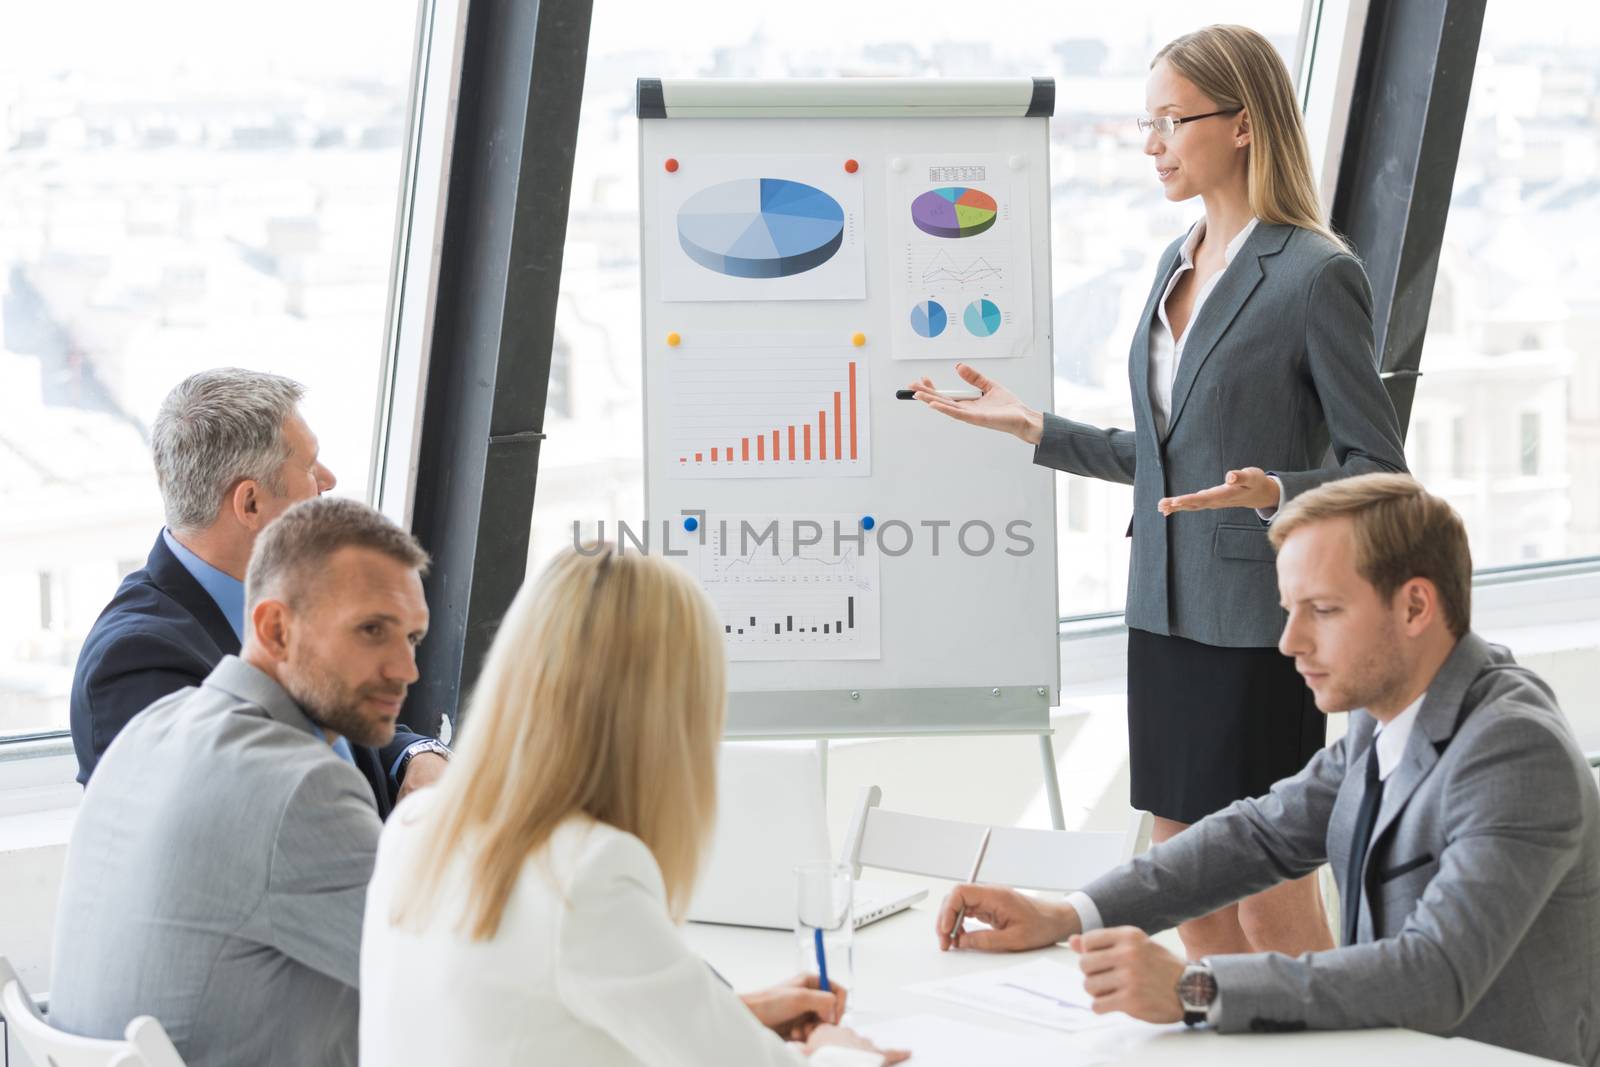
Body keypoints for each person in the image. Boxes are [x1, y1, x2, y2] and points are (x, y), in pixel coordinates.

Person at [908, 24, 1408, 959]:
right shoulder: (1173, 261)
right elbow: (1171, 453)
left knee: (1265, 882)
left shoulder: (1313, 275)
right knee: (1185, 877)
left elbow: (1380, 472)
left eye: (1171, 120)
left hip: (1260, 625)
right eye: (1148, 121)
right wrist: (1035, 429)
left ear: (1246, 124)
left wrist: (1275, 491)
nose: (1151, 143)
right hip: (1163, 615)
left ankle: (1335, 1046)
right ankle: (1228, 1041)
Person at [933, 474, 1600, 1066]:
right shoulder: (1388, 710)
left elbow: (1435, 972)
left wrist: (1197, 988)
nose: (1290, 643)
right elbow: (1259, 834)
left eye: (1324, 610)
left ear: (1416, 606)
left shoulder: (1513, 752)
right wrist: (1070, 914)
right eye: (1290, 610)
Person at [360, 545, 904, 1066]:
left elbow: (535, 1022)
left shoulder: (416, 825)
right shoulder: (588, 872)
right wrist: (839, 1048)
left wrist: (733, 1018)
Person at [50, 498, 433, 1067]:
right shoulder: (302, 788)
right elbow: (447, 980)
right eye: (372, 630)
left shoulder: (151, 729)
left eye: (413, 639)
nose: (406, 670)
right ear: (275, 628)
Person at [69, 367, 447, 814]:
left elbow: (339, 728)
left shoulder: (291, 597)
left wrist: (416, 755)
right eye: (309, 466)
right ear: (250, 503)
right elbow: (264, 819)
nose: (328, 479)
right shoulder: (138, 661)